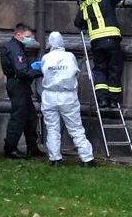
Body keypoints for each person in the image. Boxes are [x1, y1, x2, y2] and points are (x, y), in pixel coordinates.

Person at [73, 0, 132, 109]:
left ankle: (102, 99)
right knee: (114, 68)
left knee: (100, 69)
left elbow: (78, 22)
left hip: (96, 42)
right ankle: (113, 100)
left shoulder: (84, 5)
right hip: (111, 39)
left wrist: (89, 23)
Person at [37, 31, 96, 168]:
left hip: (49, 95)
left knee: (52, 128)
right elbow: (75, 73)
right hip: (67, 95)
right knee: (75, 128)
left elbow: (43, 72)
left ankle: (55, 158)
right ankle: (87, 159)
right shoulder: (70, 56)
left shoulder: (46, 57)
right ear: (62, 42)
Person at [0, 22, 43, 159]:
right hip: (18, 85)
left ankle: (33, 148)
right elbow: (21, 71)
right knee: (18, 117)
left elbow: (21, 67)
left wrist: (31, 66)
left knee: (30, 117)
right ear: (19, 35)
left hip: (20, 85)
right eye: (28, 36)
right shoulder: (15, 49)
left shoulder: (16, 47)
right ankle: (10, 149)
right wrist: (38, 71)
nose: (30, 39)